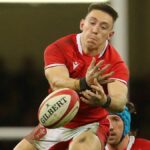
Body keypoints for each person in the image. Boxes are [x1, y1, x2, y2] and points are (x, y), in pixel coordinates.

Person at [14, 2, 129, 150]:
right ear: (82, 24)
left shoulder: (114, 63)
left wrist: (105, 100)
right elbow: (56, 82)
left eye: (103, 27)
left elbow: (120, 101)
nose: (95, 30)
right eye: (92, 23)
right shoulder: (59, 48)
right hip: (56, 118)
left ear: (110, 34)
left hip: (92, 123)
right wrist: (84, 83)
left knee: (81, 148)